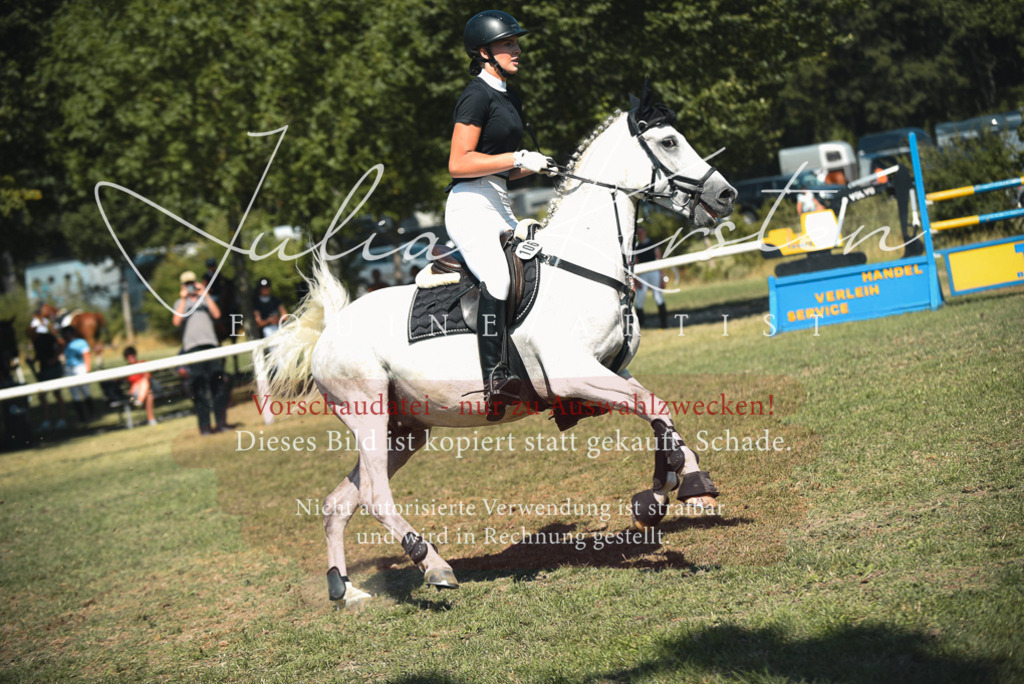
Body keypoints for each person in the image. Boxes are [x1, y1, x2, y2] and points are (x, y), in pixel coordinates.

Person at [447, 9, 557, 420]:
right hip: (470, 204)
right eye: (508, 43)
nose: (517, 49)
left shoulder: (508, 95)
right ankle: (495, 379)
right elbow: (459, 163)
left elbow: (500, 166)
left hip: (499, 201)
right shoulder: (476, 95)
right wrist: (515, 156)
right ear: (484, 52)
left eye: (516, 42)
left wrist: (526, 167)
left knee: (541, 270)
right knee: (498, 277)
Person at [172, 270, 228, 435]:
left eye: (192, 283)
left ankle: (220, 422)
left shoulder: (205, 300)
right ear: (183, 286)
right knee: (198, 387)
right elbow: (176, 321)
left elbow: (217, 314)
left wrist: (205, 294)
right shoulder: (179, 303)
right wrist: (183, 298)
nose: (190, 287)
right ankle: (204, 427)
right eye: (187, 284)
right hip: (193, 347)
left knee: (217, 383)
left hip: (210, 344)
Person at [28, 306, 67, 430]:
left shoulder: (48, 337)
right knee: (42, 396)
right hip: (44, 369)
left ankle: (61, 419)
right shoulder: (36, 340)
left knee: (57, 394)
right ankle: (47, 421)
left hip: (53, 368)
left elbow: (62, 344)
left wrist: (55, 358)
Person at [634, 226, 669, 328]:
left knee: (657, 295)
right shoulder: (637, 248)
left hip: (654, 272)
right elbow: (636, 262)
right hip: (643, 273)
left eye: (641, 232)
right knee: (640, 297)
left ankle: (664, 323)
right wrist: (637, 279)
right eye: (638, 233)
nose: (640, 235)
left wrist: (662, 277)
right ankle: (641, 324)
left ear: (645, 232)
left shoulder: (653, 245)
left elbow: (660, 260)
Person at [61, 324, 92, 423]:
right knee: (74, 394)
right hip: (69, 368)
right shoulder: (65, 344)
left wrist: (87, 369)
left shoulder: (81, 342)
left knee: (85, 391)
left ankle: (92, 413)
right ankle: (81, 417)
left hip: (80, 367)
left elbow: (86, 355)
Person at [123, 346, 157, 426]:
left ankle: (140, 402)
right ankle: (151, 419)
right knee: (148, 391)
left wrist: (138, 382)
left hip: (145, 389)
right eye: (129, 356)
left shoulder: (142, 363)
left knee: (148, 391)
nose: (131, 358)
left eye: (132, 355)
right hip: (135, 392)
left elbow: (149, 376)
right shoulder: (127, 369)